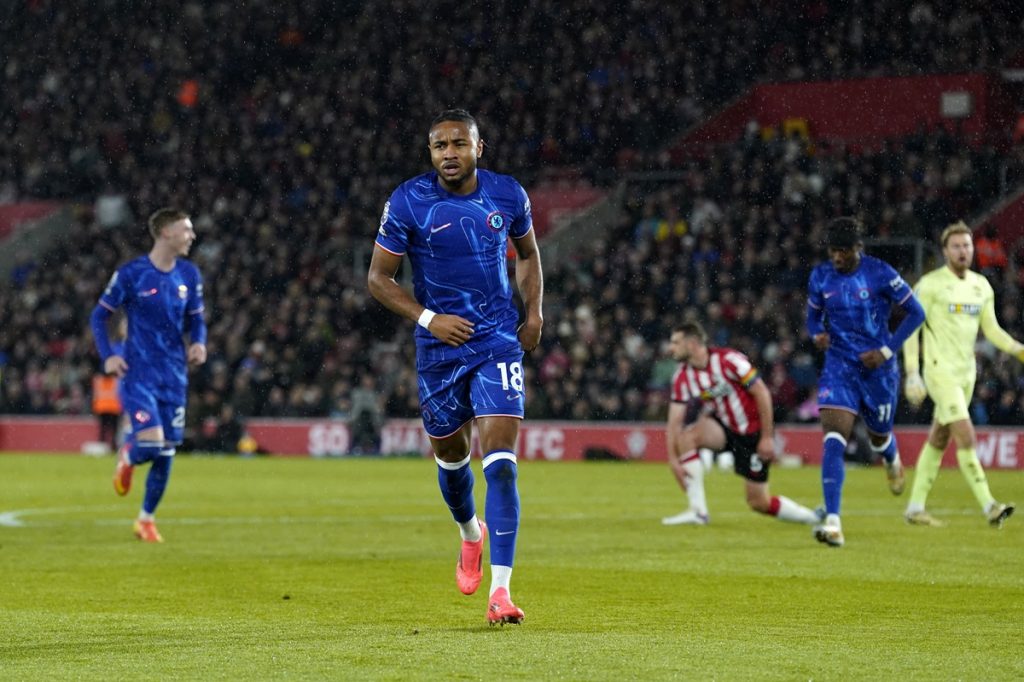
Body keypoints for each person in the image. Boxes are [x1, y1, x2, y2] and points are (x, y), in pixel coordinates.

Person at [367, 109, 543, 625]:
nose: (449, 153)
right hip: (439, 349)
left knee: (501, 462)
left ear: (478, 148)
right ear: (430, 152)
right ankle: (471, 533)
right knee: (450, 456)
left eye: (459, 144)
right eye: (440, 145)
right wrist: (428, 318)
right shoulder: (408, 201)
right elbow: (379, 278)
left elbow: (529, 254)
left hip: (496, 341)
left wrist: (533, 312)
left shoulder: (508, 194)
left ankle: (502, 592)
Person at [89, 208, 207, 543]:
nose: (192, 236)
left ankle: (146, 519)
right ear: (166, 233)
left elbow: (197, 319)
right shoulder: (131, 274)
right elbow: (99, 317)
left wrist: (198, 343)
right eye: (186, 229)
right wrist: (109, 355)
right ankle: (128, 454)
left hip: (175, 375)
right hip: (138, 373)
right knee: (152, 445)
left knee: (167, 450)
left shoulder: (189, 274)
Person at [806, 217, 925, 547]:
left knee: (878, 436)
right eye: (833, 251)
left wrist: (887, 351)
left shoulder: (881, 273)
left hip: (879, 370)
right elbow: (813, 316)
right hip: (839, 365)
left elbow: (917, 313)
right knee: (833, 436)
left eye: (843, 251)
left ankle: (891, 457)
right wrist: (816, 333)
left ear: (858, 248)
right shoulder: (820, 276)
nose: (837, 258)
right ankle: (833, 522)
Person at [902, 221, 1018, 528]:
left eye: (967, 245)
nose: (963, 251)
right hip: (940, 372)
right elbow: (910, 330)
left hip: (967, 374)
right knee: (966, 434)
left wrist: (1018, 349)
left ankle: (915, 507)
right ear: (945, 251)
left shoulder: (982, 285)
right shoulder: (929, 285)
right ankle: (990, 506)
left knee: (939, 437)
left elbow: (991, 329)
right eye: (956, 246)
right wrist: (912, 373)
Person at [661, 322, 822, 528]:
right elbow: (674, 422)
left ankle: (812, 517)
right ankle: (698, 512)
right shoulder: (682, 377)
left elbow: (762, 393)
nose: (670, 347)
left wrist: (766, 437)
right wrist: (673, 460)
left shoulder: (729, 361)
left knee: (758, 502)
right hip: (724, 426)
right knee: (687, 437)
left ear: (692, 344)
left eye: (675, 342)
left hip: (752, 433)